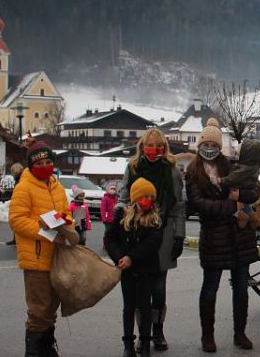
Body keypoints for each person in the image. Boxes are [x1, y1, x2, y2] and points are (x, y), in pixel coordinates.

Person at [185, 118, 260, 353]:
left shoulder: (232, 166)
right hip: (214, 237)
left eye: (214, 144)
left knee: (240, 288)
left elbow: (255, 188)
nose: (209, 148)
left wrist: (240, 195)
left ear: (220, 146)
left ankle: (240, 333)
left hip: (239, 237)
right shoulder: (192, 171)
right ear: (199, 146)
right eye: (205, 144)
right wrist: (232, 207)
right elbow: (199, 204)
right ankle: (207, 336)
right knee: (210, 287)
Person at [9, 139, 79, 357]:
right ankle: (34, 352)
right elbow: (17, 220)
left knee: (50, 309)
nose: (44, 166)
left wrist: (67, 223)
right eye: (39, 163)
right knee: (39, 310)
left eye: (48, 161)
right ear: (30, 165)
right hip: (36, 258)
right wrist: (46, 232)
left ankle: (46, 349)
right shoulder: (24, 187)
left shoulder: (56, 186)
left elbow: (66, 212)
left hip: (56, 257)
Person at [119, 128, 185, 352]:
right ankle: (142, 334)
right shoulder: (133, 167)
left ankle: (158, 329)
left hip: (164, 232)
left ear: (164, 147)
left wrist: (179, 235)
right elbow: (123, 198)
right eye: (150, 145)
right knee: (139, 286)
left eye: (159, 146)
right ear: (142, 146)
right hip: (138, 232)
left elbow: (178, 206)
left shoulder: (172, 171)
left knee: (158, 285)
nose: (154, 150)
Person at [106, 178, 163, 357]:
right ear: (135, 198)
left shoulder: (155, 219)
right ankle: (128, 344)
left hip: (146, 270)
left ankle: (145, 342)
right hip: (127, 271)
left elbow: (152, 244)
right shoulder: (123, 216)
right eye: (143, 196)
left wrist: (131, 257)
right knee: (128, 307)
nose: (147, 200)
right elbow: (110, 239)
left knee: (146, 307)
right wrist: (120, 257)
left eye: (150, 196)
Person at [218, 139, 260, 229]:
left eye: (237, 154)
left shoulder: (242, 168)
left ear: (245, 156)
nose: (236, 156)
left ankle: (239, 214)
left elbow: (232, 179)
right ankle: (252, 215)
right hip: (245, 189)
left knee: (233, 199)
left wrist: (221, 180)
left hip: (238, 188)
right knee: (244, 204)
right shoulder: (252, 167)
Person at [5, 162, 24, 246]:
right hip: (19, 202)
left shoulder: (21, 178)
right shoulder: (19, 178)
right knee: (16, 221)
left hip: (21, 203)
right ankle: (15, 239)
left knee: (18, 221)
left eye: (12, 171)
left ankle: (17, 240)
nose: (11, 173)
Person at [101, 181, 119, 247]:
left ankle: (111, 244)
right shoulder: (105, 198)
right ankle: (105, 244)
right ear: (108, 189)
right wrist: (104, 218)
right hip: (107, 219)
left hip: (115, 218)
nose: (113, 190)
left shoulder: (116, 198)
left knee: (114, 232)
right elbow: (103, 209)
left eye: (114, 189)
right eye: (111, 188)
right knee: (107, 232)